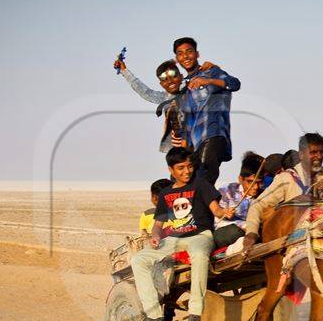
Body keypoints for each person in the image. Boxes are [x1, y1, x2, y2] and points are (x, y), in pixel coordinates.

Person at [127, 147, 235, 321]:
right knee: (138, 260)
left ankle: (195, 313)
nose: (187, 171)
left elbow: (216, 210)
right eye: (181, 168)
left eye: (189, 166)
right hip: (173, 240)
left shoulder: (201, 184)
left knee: (200, 256)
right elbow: (158, 223)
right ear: (171, 170)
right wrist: (155, 236)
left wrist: (224, 212)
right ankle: (154, 316)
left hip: (199, 236)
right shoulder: (165, 194)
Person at [242, 132, 323, 252]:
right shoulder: (286, 179)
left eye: (321, 152)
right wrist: (251, 233)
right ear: (301, 154)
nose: (319, 156)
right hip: (294, 241)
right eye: (313, 152)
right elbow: (257, 206)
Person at [112, 55, 221, 153]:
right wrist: (124, 71)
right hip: (179, 148)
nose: (170, 81)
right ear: (162, 83)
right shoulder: (166, 97)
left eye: (173, 76)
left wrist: (214, 69)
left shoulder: (192, 88)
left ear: (181, 76)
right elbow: (146, 93)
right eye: (165, 79)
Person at [171, 37, 241, 186]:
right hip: (193, 142)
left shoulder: (210, 71)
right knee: (181, 184)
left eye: (189, 51)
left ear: (197, 54)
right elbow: (186, 121)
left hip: (213, 133)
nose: (185, 56)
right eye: (180, 53)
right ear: (177, 59)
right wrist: (182, 149)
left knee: (203, 179)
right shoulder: (183, 87)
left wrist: (208, 81)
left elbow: (234, 83)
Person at [215, 151, 263, 252]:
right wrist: (245, 226)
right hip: (228, 233)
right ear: (240, 179)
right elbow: (218, 222)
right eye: (250, 182)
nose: (255, 187)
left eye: (259, 183)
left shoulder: (263, 196)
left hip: (252, 233)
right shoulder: (226, 190)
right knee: (236, 232)